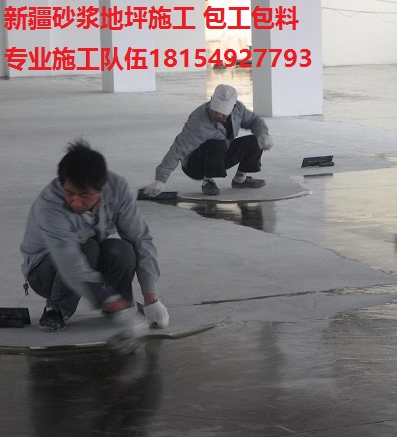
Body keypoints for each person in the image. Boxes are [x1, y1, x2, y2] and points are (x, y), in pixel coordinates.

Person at [20, 140, 169, 334]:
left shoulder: (118, 189)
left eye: (84, 195)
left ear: (103, 187)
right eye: (69, 193)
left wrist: (151, 297)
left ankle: (122, 305)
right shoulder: (49, 205)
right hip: (45, 272)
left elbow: (140, 239)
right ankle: (56, 309)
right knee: (87, 247)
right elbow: (69, 260)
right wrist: (107, 298)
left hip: (88, 258)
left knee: (122, 250)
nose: (75, 201)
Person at [142, 84, 273, 197]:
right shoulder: (198, 121)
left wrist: (262, 134)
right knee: (216, 143)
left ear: (233, 107)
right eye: (215, 111)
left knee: (254, 141)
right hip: (195, 165)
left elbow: (254, 120)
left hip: (220, 154)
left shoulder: (239, 109)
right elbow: (178, 150)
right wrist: (160, 179)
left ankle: (240, 179)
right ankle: (208, 181)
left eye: (223, 112)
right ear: (211, 100)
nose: (218, 115)